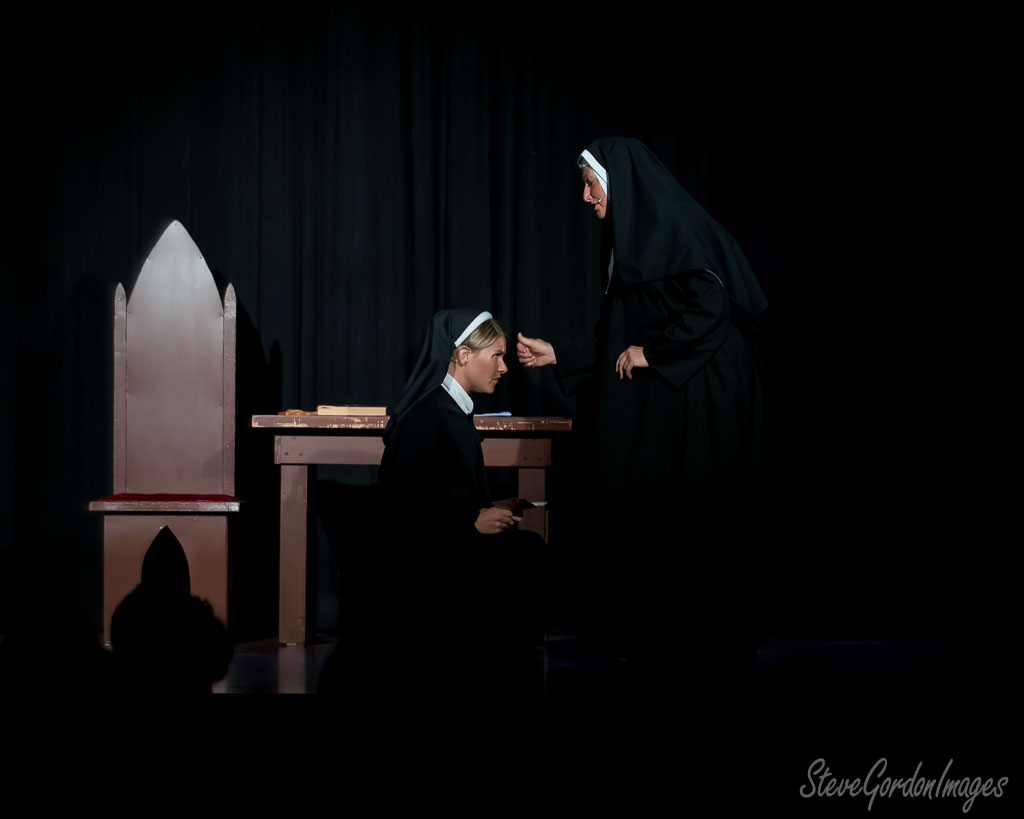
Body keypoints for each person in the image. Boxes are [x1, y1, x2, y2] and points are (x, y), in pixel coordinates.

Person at [517, 137, 769, 679]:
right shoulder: (629, 239)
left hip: (708, 392)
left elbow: (712, 308)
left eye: (591, 184)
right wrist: (558, 352)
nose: (586, 197)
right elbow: (616, 332)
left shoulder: (677, 227)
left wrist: (653, 353)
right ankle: (663, 635)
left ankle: (709, 638)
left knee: (700, 506)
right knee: (658, 504)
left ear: (620, 183)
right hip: (676, 391)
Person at [337, 308, 556, 700]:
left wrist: (488, 511)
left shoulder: (453, 410)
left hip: (449, 539)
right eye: (496, 355)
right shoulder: (430, 414)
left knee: (528, 548)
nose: (503, 367)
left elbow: (448, 489)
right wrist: (470, 523)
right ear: (464, 355)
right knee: (527, 554)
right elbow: (406, 507)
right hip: (428, 554)